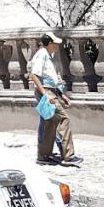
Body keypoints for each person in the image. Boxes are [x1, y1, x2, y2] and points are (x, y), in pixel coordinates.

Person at [29, 33, 83, 167]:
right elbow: (34, 75)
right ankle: (68, 156)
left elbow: (50, 79)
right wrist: (45, 94)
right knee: (63, 119)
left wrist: (61, 94)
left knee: (49, 124)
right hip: (46, 92)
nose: (57, 46)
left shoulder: (47, 56)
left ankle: (43, 156)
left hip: (50, 91)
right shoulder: (41, 55)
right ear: (50, 44)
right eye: (55, 43)